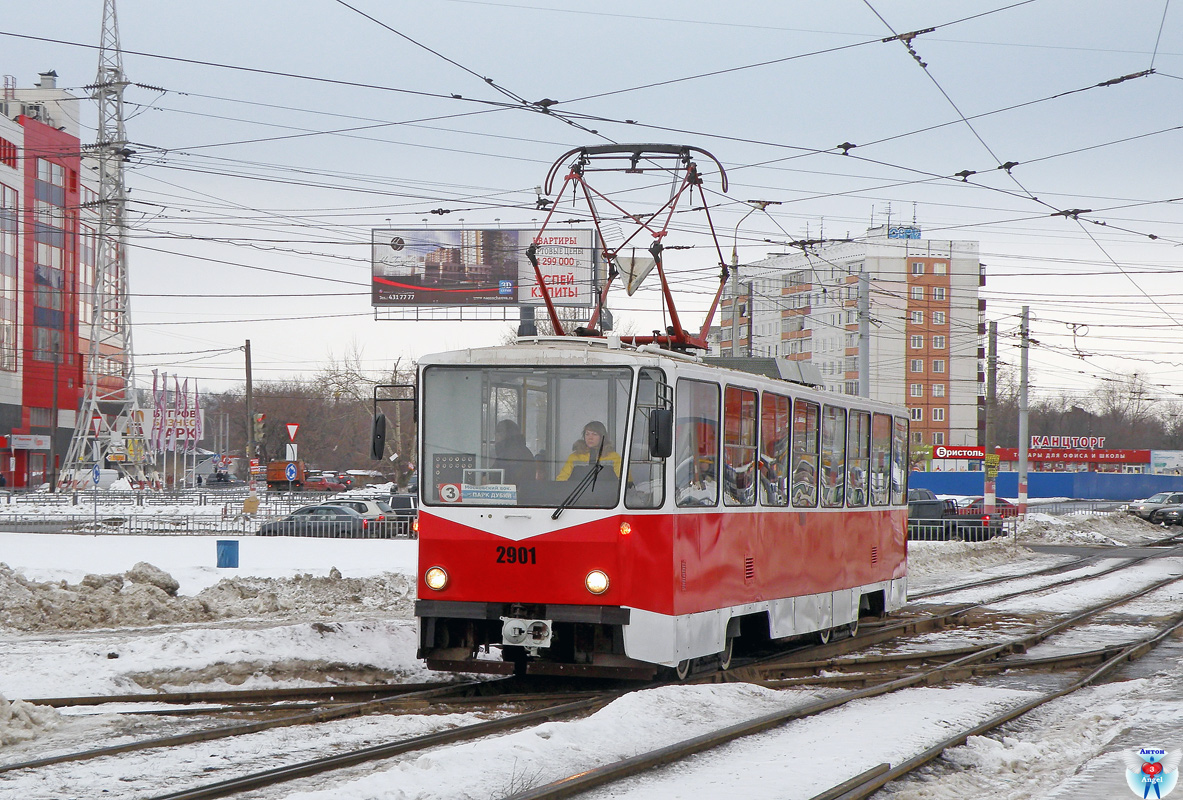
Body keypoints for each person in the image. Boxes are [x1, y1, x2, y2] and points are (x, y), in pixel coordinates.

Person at [557, 420, 622, 481]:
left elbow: (623, 481)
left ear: (602, 437)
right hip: (579, 489)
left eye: (594, 434)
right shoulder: (574, 456)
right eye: (587, 434)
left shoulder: (614, 457)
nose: (590, 438)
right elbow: (561, 480)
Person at [492, 419, 535, 486]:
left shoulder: (509, 453)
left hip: (512, 490)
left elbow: (499, 475)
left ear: (503, 434)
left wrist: (488, 477)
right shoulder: (524, 451)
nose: (495, 437)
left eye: (496, 433)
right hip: (525, 490)